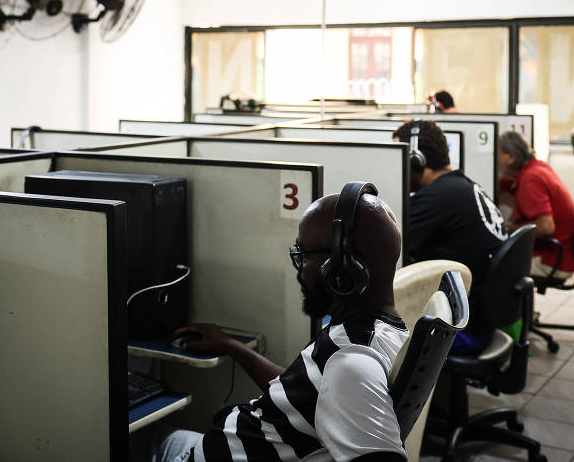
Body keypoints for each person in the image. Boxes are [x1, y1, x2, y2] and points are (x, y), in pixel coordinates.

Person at [132, 183, 409, 462]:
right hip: (219, 445)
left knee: (123, 438)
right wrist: (233, 347)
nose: (299, 270)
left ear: (341, 268)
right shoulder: (381, 331)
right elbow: (308, 397)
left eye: (303, 255)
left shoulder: (350, 363)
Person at [392, 120, 507, 353]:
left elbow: (390, 253)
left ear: (415, 160)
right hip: (481, 319)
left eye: (398, 159)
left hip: (460, 328)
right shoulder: (462, 186)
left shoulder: (435, 198)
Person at [498, 131, 574, 279]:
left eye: (497, 154)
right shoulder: (537, 167)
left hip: (552, 260)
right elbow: (517, 187)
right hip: (563, 255)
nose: (494, 158)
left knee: (493, 267)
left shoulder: (529, 179)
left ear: (510, 157)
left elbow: (546, 227)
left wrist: (506, 229)